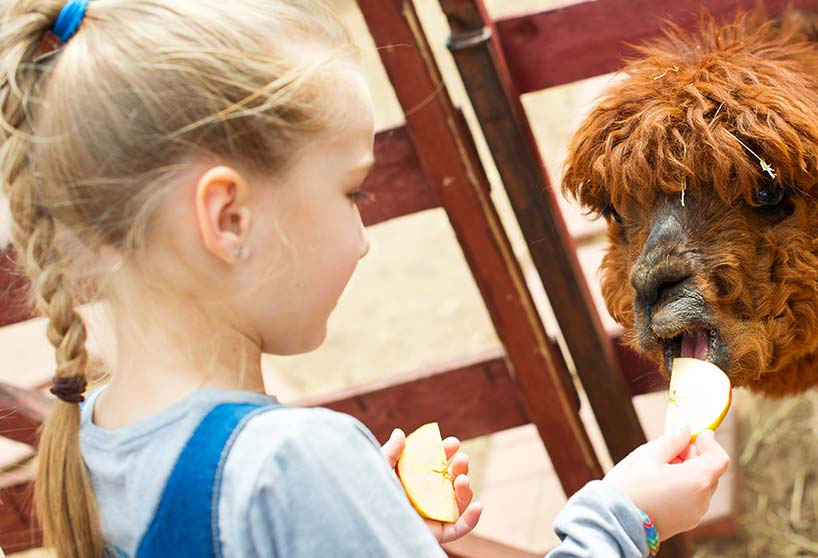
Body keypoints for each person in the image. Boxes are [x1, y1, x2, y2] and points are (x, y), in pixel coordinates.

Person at [0, 0, 731, 557]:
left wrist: (378, 527)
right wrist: (624, 515)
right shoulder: (292, 464)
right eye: (352, 193)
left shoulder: (95, 437)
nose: (361, 241)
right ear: (227, 219)